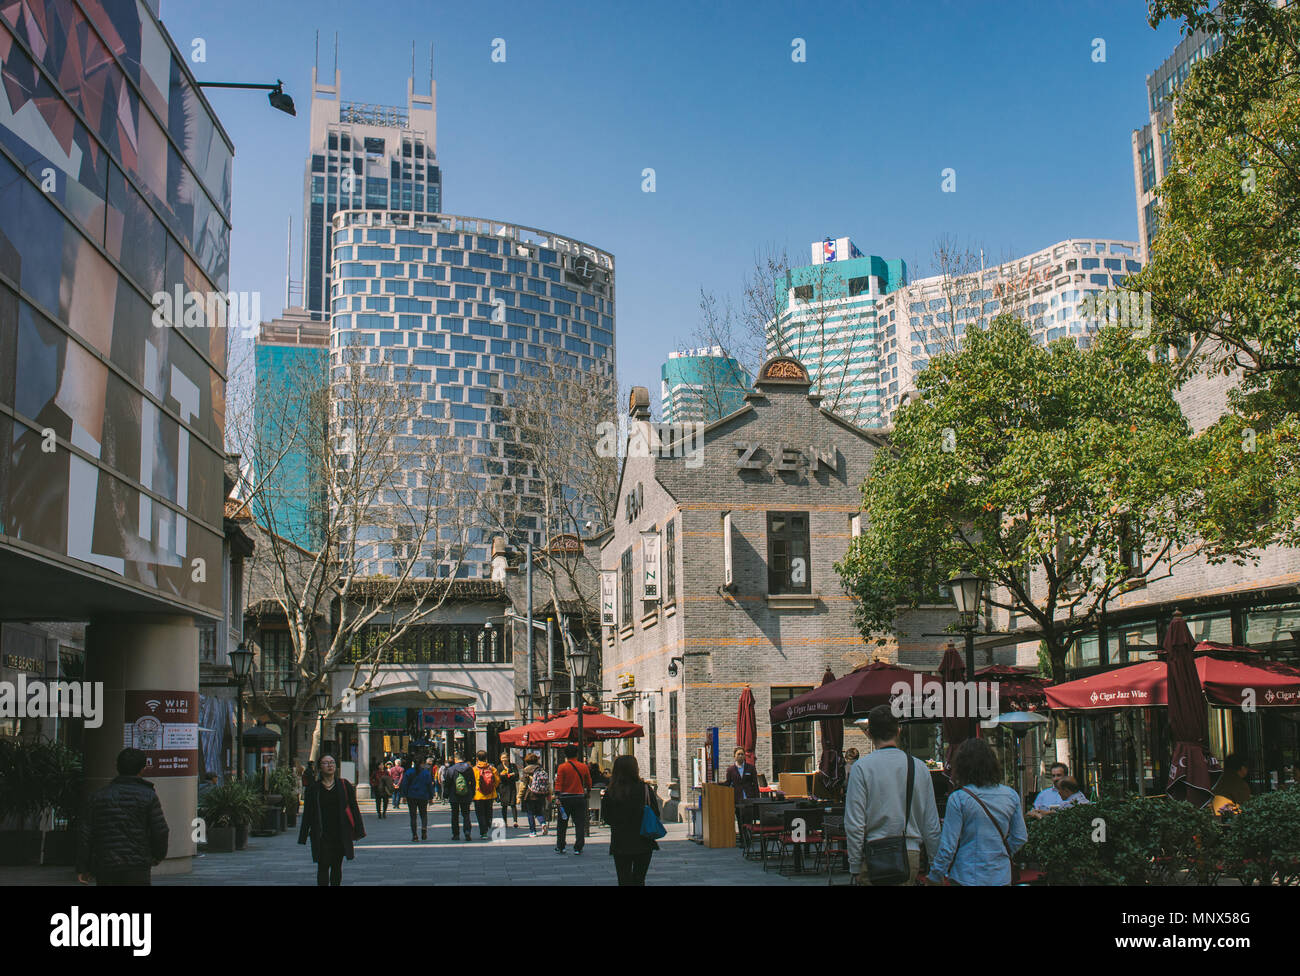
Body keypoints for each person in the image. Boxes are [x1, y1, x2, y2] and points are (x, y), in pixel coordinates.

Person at [844, 704, 940, 886]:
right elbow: (931, 824)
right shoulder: (919, 767)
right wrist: (936, 865)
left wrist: (855, 865)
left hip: (873, 853)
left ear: (869, 733)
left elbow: (854, 823)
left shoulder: (861, 768)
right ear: (899, 730)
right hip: (909, 853)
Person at [927, 738, 1028, 886]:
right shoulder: (1010, 795)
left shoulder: (959, 799)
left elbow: (948, 846)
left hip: (966, 874)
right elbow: (1020, 837)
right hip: (1000, 874)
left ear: (961, 767)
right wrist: (1001, 852)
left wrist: (936, 875)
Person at [76, 748, 169, 885]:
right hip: (137, 865)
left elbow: (85, 834)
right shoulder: (148, 796)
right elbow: (160, 831)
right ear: (142, 769)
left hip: (106, 864)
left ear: (117, 767)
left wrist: (83, 867)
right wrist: (156, 856)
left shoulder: (98, 797)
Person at [297, 755, 365, 886]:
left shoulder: (344, 785)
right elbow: (308, 814)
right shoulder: (313, 789)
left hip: (340, 834)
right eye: (326, 763)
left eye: (332, 762)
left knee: (336, 866)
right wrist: (303, 836)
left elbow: (354, 808)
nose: (330, 765)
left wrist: (359, 830)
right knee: (322, 866)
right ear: (320, 767)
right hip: (321, 834)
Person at [602, 755, 661, 886]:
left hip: (620, 841)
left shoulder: (611, 791)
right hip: (644, 840)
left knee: (623, 880)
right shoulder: (645, 788)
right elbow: (656, 813)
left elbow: (606, 817)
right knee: (639, 880)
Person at [553, 744, 592, 855]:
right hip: (579, 797)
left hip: (565, 798)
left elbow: (559, 782)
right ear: (577, 754)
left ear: (565, 754)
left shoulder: (562, 767)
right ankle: (578, 847)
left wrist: (557, 796)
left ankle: (561, 846)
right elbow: (589, 781)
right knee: (579, 823)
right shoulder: (583, 767)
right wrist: (588, 791)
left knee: (562, 823)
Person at [724, 748, 760, 843]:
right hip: (737, 799)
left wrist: (757, 799)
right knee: (740, 819)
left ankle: (748, 838)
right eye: (738, 754)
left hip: (749, 798)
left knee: (748, 820)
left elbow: (755, 784)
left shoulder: (750, 768)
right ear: (734, 756)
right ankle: (743, 840)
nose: (740, 756)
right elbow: (728, 783)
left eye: (742, 754)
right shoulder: (731, 770)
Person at [443, 753, 476, 840]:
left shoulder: (451, 769)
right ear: (463, 759)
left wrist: (446, 794)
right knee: (466, 814)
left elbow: (447, 783)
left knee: (455, 815)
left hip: (454, 795)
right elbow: (473, 781)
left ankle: (456, 834)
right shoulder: (469, 768)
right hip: (466, 794)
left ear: (455, 760)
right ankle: (467, 832)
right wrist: (472, 793)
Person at [403, 755, 435, 841]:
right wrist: (431, 796)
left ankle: (414, 835)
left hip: (411, 796)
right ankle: (424, 829)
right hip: (423, 796)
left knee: (413, 816)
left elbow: (405, 784)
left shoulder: (409, 772)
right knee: (423, 814)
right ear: (422, 763)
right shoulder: (426, 773)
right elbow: (429, 785)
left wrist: (404, 795)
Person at [472, 750, 499, 838]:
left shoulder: (474, 769)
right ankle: (488, 822)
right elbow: (497, 780)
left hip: (478, 795)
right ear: (486, 758)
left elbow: (471, 782)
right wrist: (492, 787)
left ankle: (483, 832)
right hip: (490, 794)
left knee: (480, 814)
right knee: (488, 811)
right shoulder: (492, 768)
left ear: (477, 759)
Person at [522, 753, 550, 836]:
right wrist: (548, 793)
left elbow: (523, 785)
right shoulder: (541, 769)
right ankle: (543, 823)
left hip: (530, 794)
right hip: (540, 794)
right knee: (539, 812)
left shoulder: (526, 770)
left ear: (527, 761)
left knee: (530, 813)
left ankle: (533, 831)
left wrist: (519, 796)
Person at [497, 752, 520, 828]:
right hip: (503, 788)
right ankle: (505, 821)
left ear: (508, 758)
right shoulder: (499, 767)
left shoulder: (513, 766)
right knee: (504, 806)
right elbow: (499, 778)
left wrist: (507, 776)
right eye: (503, 758)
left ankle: (515, 821)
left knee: (513, 804)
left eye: (505, 757)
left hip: (511, 787)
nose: (504, 759)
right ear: (500, 759)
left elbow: (517, 776)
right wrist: (508, 776)